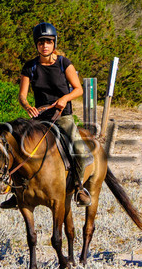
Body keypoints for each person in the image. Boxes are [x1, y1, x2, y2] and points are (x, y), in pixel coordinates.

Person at [17, 22, 91, 205]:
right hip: (40, 118)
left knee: (80, 151)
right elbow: (22, 95)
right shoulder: (30, 67)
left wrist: (65, 98)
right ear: (36, 44)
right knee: (17, 146)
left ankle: (79, 187)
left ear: (54, 43)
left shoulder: (64, 63)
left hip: (62, 116)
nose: (45, 45)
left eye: (48, 41)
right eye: (41, 42)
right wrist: (27, 106)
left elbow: (78, 89)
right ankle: (16, 191)